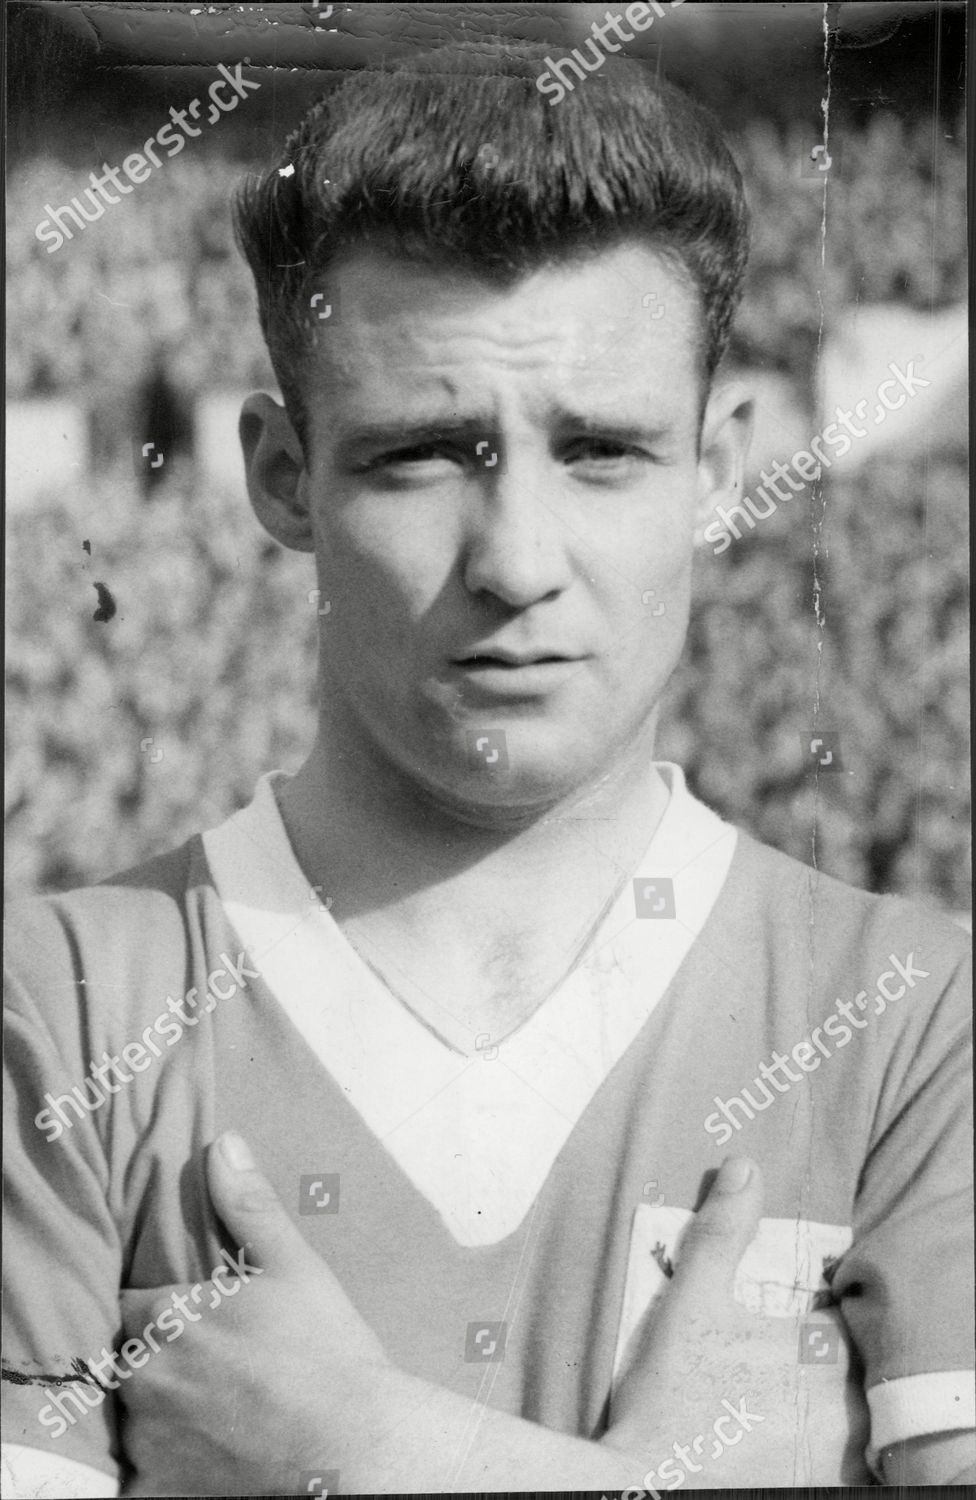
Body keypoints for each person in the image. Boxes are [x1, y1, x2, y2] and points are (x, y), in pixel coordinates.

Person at [3, 38, 973, 1497]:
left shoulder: (917, 1025)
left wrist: (372, 1453)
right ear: (280, 474)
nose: (518, 562)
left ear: (720, 470)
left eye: (599, 453)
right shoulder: (58, 1015)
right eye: (423, 454)